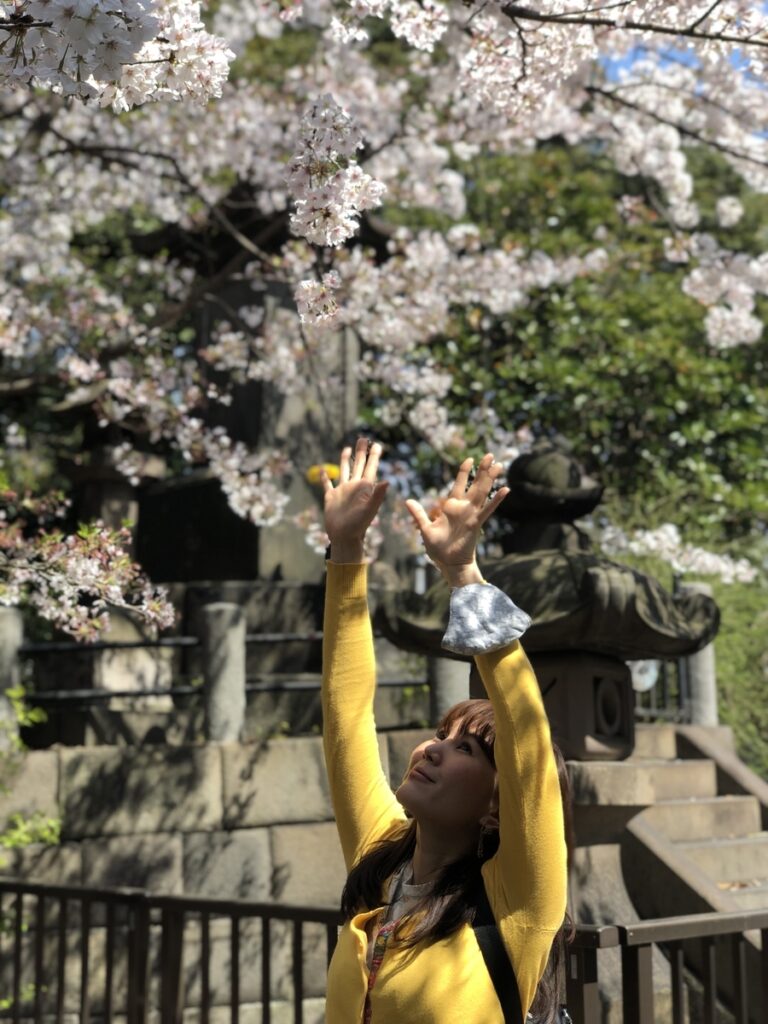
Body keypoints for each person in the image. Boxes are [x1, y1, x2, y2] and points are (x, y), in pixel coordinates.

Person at [321, 437, 570, 1024]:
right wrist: (347, 553)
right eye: (440, 735)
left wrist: (463, 573)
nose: (432, 749)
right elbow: (345, 719)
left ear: (496, 803)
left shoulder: (518, 900)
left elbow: (526, 744)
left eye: (464, 748)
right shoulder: (381, 860)